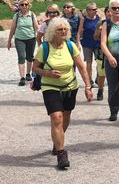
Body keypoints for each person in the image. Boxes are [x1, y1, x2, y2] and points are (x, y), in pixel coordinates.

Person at [33, 17, 93, 169]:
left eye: (66, 29)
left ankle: (57, 141)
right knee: (57, 118)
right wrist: (47, 73)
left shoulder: (70, 46)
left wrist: (88, 86)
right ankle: (61, 154)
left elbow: (81, 67)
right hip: (50, 87)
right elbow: (35, 68)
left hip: (70, 87)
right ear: (53, 32)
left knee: (65, 116)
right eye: (60, 29)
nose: (64, 31)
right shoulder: (44, 48)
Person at [7, 0, 39, 86]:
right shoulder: (17, 16)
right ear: (19, 6)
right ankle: (22, 77)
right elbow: (12, 28)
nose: (24, 6)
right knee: (21, 56)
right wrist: (9, 40)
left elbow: (36, 27)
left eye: (26, 4)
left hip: (31, 38)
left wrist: (41, 37)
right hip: (19, 39)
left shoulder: (32, 15)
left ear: (28, 6)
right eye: (22, 5)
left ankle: (28, 74)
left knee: (29, 57)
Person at [78, 3, 104, 99]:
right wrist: (78, 42)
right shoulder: (83, 19)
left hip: (97, 43)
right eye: (93, 9)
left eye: (96, 9)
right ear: (88, 10)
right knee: (88, 63)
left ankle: (98, 77)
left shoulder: (99, 17)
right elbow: (80, 31)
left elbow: (102, 29)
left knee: (99, 62)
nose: (95, 11)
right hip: (87, 43)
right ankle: (89, 79)